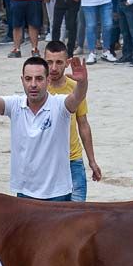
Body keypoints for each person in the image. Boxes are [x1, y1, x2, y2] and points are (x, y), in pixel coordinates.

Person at [0, 56, 89, 200]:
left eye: (39, 79)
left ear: (48, 80)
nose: (33, 84)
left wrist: (82, 83)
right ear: (22, 80)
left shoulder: (60, 105)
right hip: (25, 191)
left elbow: (76, 97)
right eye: (28, 79)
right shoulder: (15, 105)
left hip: (58, 193)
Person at [44, 41, 103, 201]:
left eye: (59, 62)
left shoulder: (75, 88)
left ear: (67, 63)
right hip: (46, 161)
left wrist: (92, 160)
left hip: (73, 159)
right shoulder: (37, 89)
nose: (54, 68)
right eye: (49, 62)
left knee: (77, 214)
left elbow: (83, 124)